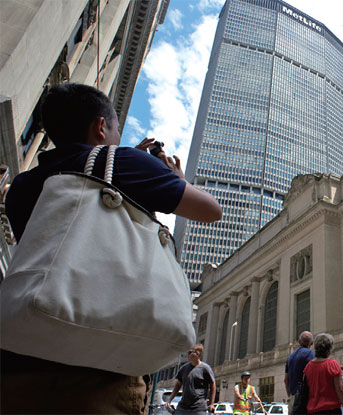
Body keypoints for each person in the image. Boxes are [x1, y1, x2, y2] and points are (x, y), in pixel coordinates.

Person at [0, 83, 222, 413]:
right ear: (101, 127)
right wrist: (175, 176)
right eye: (116, 128)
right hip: (101, 372)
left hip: (19, 362)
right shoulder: (123, 161)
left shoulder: (22, 185)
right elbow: (210, 210)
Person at [303, 333, 343, 415]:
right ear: (330, 348)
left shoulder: (308, 367)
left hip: (312, 411)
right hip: (331, 410)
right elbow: (340, 389)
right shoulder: (333, 364)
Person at [165, 345, 216, 414]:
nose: (187, 355)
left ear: (197, 354)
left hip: (199, 408)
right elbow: (178, 384)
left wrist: (211, 403)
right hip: (183, 407)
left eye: (190, 352)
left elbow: (212, 384)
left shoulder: (205, 368)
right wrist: (169, 400)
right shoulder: (184, 368)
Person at [285, 331, 315, 412]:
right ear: (312, 343)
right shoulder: (311, 354)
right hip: (305, 399)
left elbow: (286, 380)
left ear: (299, 342)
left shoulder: (290, 357)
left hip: (293, 397)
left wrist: (290, 395)